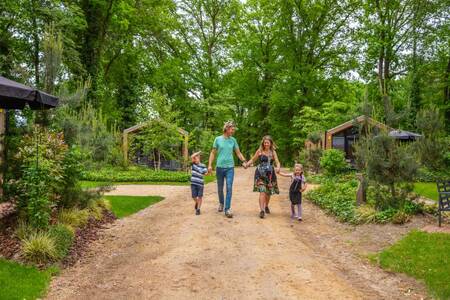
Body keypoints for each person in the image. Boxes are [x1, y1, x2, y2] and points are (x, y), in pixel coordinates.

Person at [208, 121, 247, 218]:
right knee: (220, 188)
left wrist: (244, 161)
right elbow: (213, 153)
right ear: (227, 129)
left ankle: (227, 209)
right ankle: (221, 203)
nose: (233, 131)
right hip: (219, 167)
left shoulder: (233, 140)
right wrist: (209, 165)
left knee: (229, 187)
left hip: (230, 167)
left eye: (233, 129)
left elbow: (238, 153)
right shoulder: (217, 139)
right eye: (232, 129)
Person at [245, 136, 280, 219]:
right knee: (262, 191)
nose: (266, 144)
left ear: (270, 143)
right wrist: (246, 164)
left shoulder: (273, 152)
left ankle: (266, 205)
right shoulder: (260, 151)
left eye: (268, 142)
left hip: (270, 175)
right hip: (260, 174)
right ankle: (262, 210)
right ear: (263, 143)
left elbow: (277, 162)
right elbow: (253, 159)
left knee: (268, 193)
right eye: (265, 143)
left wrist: (278, 167)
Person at [190, 151, 208, 215]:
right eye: (195, 158)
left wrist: (205, 172)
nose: (195, 159)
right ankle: (197, 202)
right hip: (193, 183)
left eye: (197, 158)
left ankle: (198, 209)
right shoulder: (193, 164)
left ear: (199, 158)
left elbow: (206, 173)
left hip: (200, 184)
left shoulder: (203, 165)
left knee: (200, 196)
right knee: (193, 196)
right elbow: (191, 156)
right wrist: (198, 152)